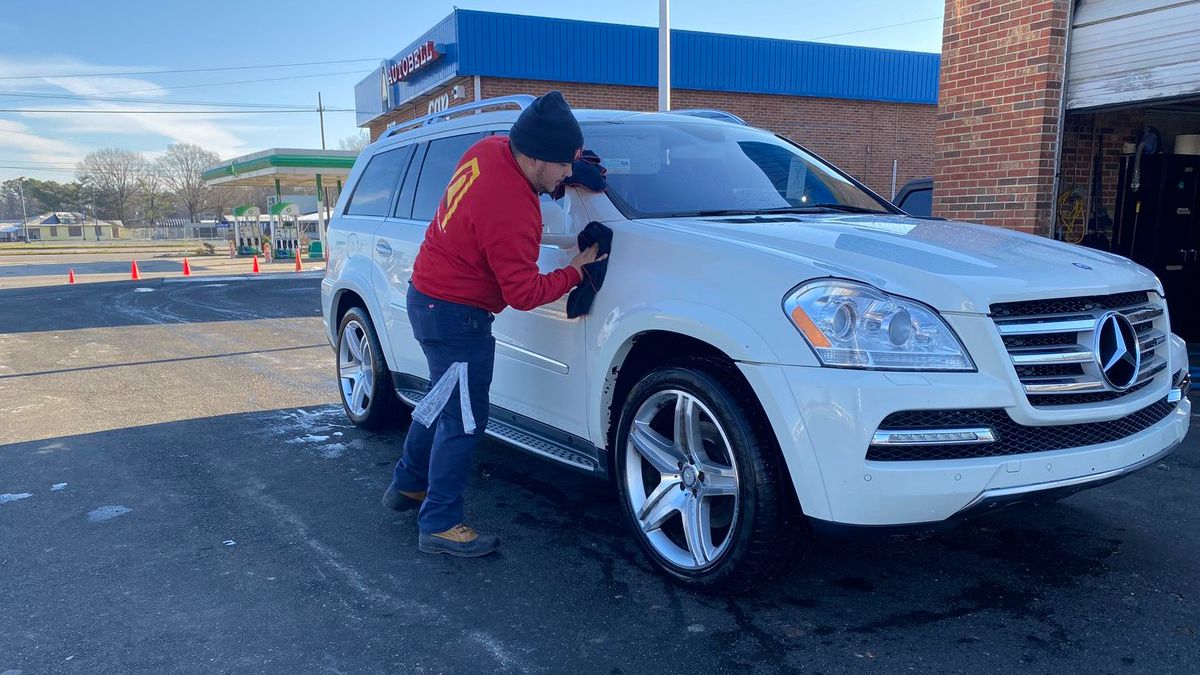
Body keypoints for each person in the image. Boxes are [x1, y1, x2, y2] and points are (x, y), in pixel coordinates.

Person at [382, 91, 605, 557]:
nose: (569, 172)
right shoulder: (513, 210)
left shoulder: (489, 150)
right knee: (464, 420)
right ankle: (439, 523)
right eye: (564, 164)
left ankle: (408, 484)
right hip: (458, 317)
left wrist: (568, 175)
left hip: (428, 299)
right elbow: (522, 294)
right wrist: (578, 271)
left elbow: (529, 177)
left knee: (440, 400)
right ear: (537, 156)